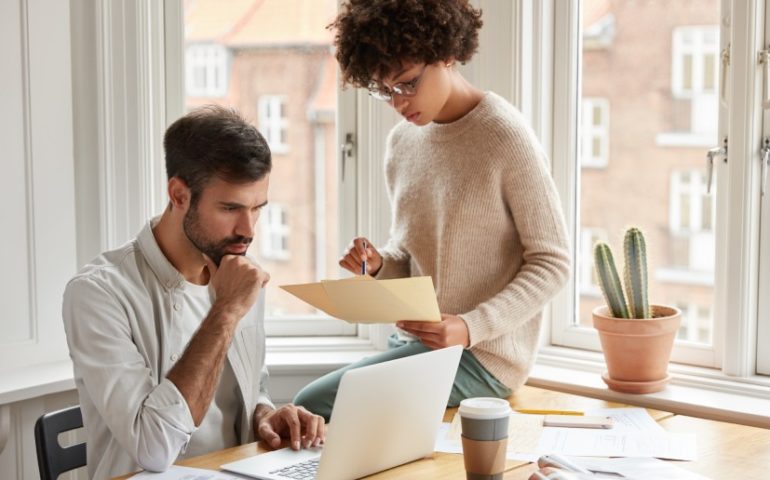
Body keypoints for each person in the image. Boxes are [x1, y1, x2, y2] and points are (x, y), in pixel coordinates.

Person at [293, 0, 571, 421]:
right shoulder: (402, 143)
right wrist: (378, 264)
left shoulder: (505, 137)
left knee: (310, 405)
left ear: (445, 53)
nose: (398, 103)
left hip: (482, 357)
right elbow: (411, 257)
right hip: (416, 341)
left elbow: (553, 263)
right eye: (384, 90)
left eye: (407, 83)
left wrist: (470, 327)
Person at [63, 106, 324, 479]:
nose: (248, 230)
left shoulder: (238, 272)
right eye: (230, 208)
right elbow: (153, 449)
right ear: (179, 194)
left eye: (257, 209)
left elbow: (249, 391)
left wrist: (266, 415)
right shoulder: (98, 294)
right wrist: (227, 310)